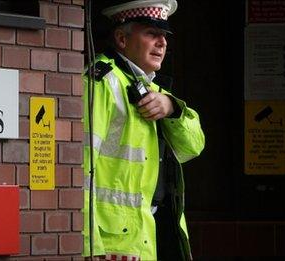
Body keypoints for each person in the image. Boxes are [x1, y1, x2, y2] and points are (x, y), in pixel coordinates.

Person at [82, 0, 205, 260]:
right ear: (121, 39)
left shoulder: (152, 89)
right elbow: (80, 170)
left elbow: (193, 146)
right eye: (151, 33)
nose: (162, 43)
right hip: (112, 243)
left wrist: (173, 107)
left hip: (152, 232)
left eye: (164, 36)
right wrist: (89, 246)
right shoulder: (101, 82)